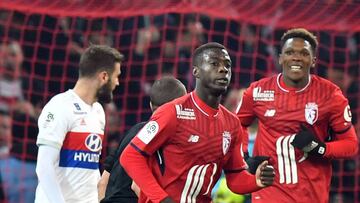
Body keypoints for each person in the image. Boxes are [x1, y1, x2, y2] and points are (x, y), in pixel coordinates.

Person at [120, 42, 275, 203]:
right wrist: (163, 199)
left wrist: (256, 181)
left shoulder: (232, 123)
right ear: (196, 71)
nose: (223, 69)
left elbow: (235, 177)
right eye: (214, 64)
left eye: (227, 65)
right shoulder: (172, 112)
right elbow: (130, 156)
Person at [236, 28, 358, 203]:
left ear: (313, 60)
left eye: (304, 53)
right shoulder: (257, 91)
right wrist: (245, 158)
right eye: (290, 52)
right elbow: (236, 124)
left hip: (310, 193)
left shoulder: (330, 95)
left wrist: (321, 148)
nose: (296, 58)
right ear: (280, 58)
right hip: (268, 191)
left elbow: (351, 145)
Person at [35, 45, 124, 203]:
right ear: (104, 77)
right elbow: (44, 166)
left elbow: (89, 165)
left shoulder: (98, 112)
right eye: (116, 76)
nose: (117, 82)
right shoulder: (59, 107)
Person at [98, 76, 187, 202]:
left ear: (151, 105)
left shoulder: (134, 131)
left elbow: (102, 182)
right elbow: (137, 186)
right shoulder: (161, 137)